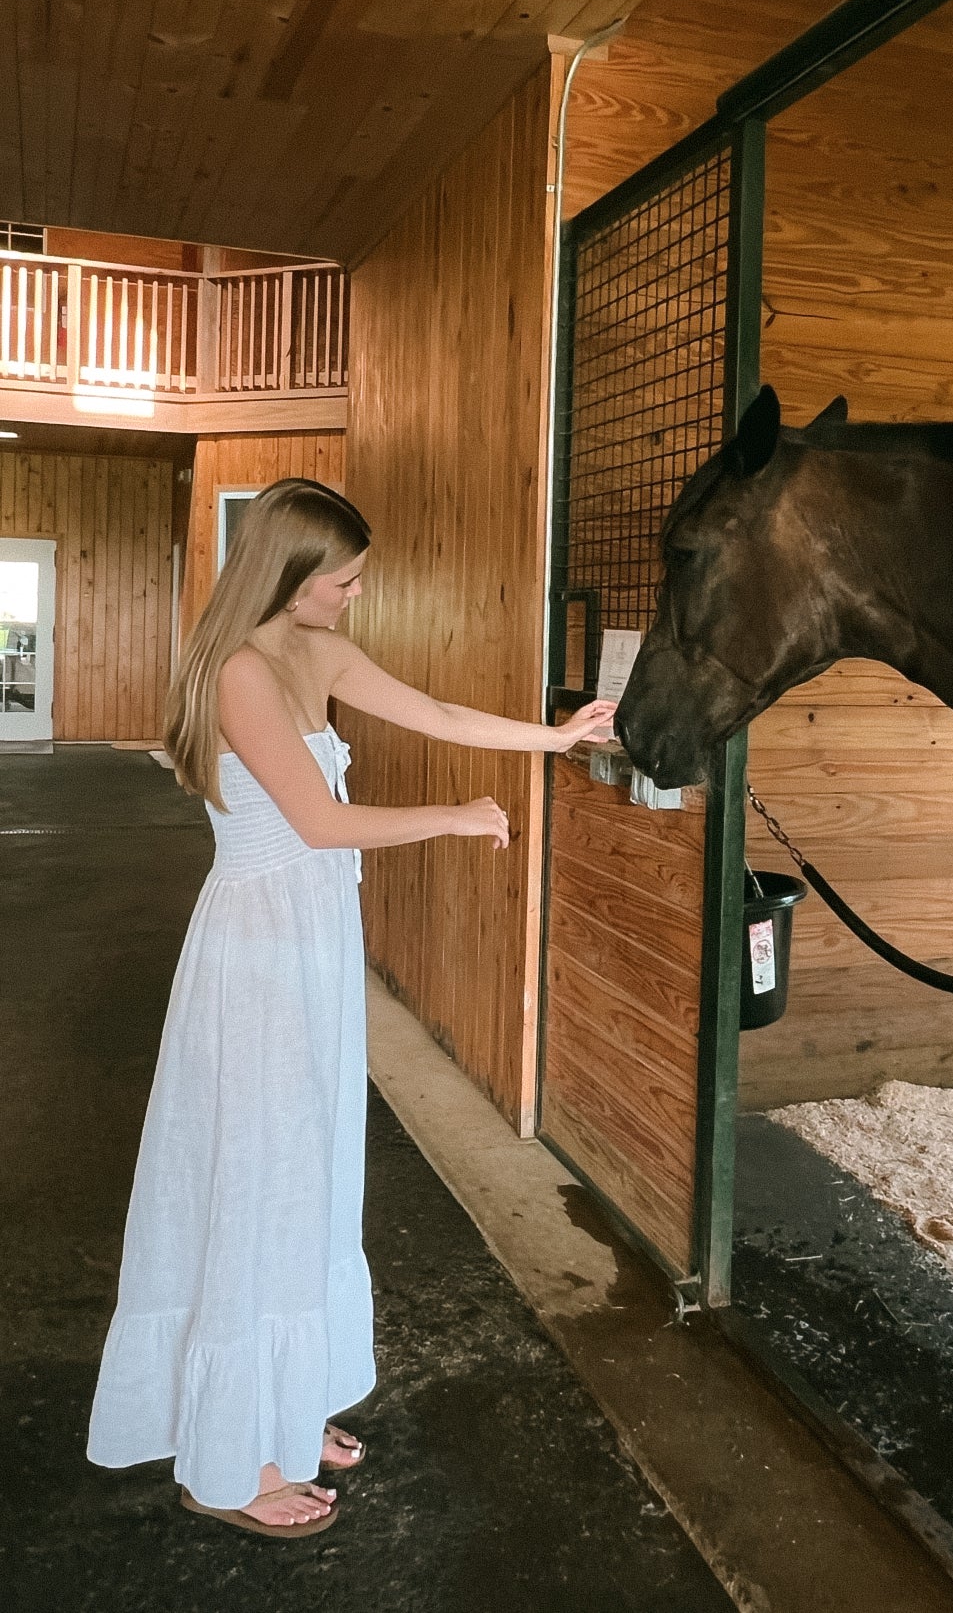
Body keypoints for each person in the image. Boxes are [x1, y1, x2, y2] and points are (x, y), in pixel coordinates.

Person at [87, 478, 615, 1536]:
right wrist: (457, 816)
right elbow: (320, 825)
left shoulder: (317, 650)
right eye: (344, 578)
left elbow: (439, 711)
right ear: (290, 573)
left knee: (313, 1165)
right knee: (261, 1173)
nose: (354, 595)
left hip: (317, 939)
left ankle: (287, 1395)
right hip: (259, 947)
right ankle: (229, 1460)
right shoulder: (238, 669)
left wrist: (554, 738)